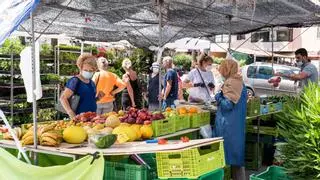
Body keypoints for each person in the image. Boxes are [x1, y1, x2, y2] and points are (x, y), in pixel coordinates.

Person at [214, 59, 247, 180]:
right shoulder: (239, 81)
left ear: (226, 69)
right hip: (236, 125)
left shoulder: (231, 83)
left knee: (227, 157)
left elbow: (227, 105)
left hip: (228, 126)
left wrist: (218, 96)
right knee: (236, 159)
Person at [60, 53, 98, 118]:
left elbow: (89, 99)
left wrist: (99, 97)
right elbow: (63, 98)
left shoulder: (91, 82)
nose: (88, 72)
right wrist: (70, 112)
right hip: (78, 118)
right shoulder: (75, 81)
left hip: (92, 117)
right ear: (80, 68)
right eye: (85, 70)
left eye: (90, 70)